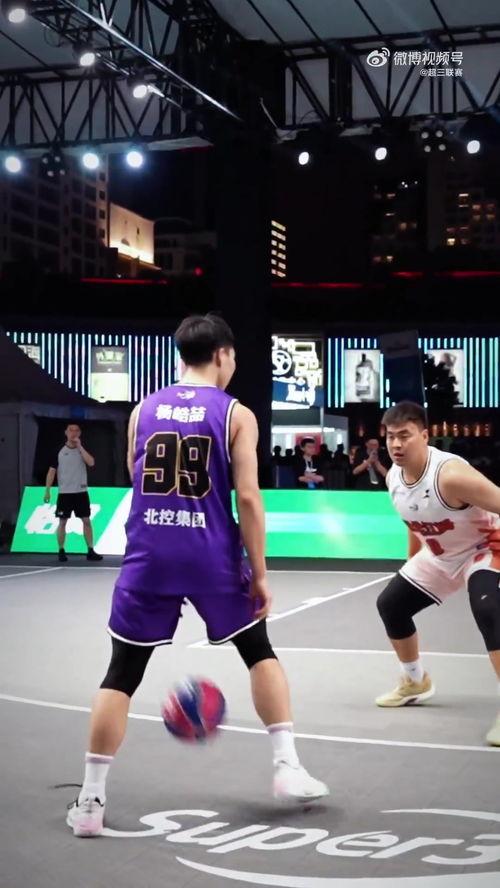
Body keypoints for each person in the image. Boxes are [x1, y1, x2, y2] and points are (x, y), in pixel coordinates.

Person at [67, 314, 328, 837]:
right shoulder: (236, 413)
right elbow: (248, 497)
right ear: (223, 355)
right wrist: (259, 572)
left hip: (149, 554)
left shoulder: (142, 410)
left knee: (121, 672)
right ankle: (287, 767)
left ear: (181, 356)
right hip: (210, 553)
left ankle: (91, 802)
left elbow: (138, 479)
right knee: (258, 650)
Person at [375, 401, 500, 747]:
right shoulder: (393, 477)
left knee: (488, 609)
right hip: (440, 554)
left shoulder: (450, 476)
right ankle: (415, 681)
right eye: (390, 436)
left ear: (425, 436)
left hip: (484, 547)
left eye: (405, 436)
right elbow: (413, 520)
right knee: (391, 605)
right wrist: (410, 565)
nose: (396, 444)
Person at [44, 424, 102, 562]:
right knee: (62, 521)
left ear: (80, 433)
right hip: (65, 493)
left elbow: (91, 463)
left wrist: (80, 447)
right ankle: (61, 550)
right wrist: (47, 490)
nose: (73, 433)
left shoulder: (82, 450)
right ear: (66, 432)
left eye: (76, 430)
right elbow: (51, 472)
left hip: (81, 492)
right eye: (71, 430)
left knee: (86, 520)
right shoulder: (59, 451)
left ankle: (90, 550)